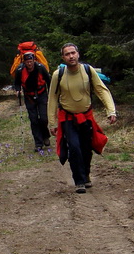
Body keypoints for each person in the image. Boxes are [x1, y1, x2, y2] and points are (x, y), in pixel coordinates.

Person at [47, 43, 117, 193]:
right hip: (67, 118)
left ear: (78, 54)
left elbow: (101, 90)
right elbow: (52, 99)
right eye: (67, 54)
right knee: (74, 147)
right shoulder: (57, 75)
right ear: (63, 57)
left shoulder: (88, 70)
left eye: (73, 53)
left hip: (86, 117)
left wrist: (111, 111)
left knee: (86, 148)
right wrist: (52, 123)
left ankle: (86, 175)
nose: (71, 56)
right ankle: (78, 180)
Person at [13, 52, 52, 152]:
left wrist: (52, 93)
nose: (29, 64)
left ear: (34, 60)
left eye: (31, 61)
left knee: (43, 118)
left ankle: (45, 136)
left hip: (42, 94)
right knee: (33, 120)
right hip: (29, 96)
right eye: (27, 62)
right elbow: (17, 83)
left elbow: (49, 81)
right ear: (24, 62)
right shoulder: (20, 70)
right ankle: (38, 143)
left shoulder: (40, 68)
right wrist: (17, 90)